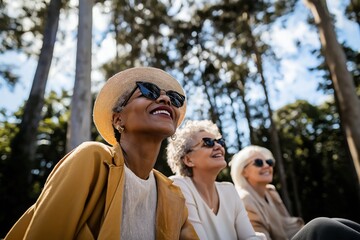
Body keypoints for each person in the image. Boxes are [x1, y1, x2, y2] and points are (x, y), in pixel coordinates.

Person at [5, 67, 199, 240]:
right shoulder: (91, 159)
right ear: (118, 120)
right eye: (148, 91)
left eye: (174, 99)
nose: (165, 99)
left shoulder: (174, 196)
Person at [230, 145, 360, 240]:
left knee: (337, 222)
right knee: (320, 226)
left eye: (269, 162)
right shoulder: (244, 199)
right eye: (258, 162)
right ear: (243, 171)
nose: (267, 166)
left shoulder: (271, 192)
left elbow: (289, 227)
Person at [166, 120, 264, 240]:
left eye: (220, 142)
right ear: (188, 160)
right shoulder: (179, 186)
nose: (218, 146)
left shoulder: (229, 190)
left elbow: (249, 237)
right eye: (208, 142)